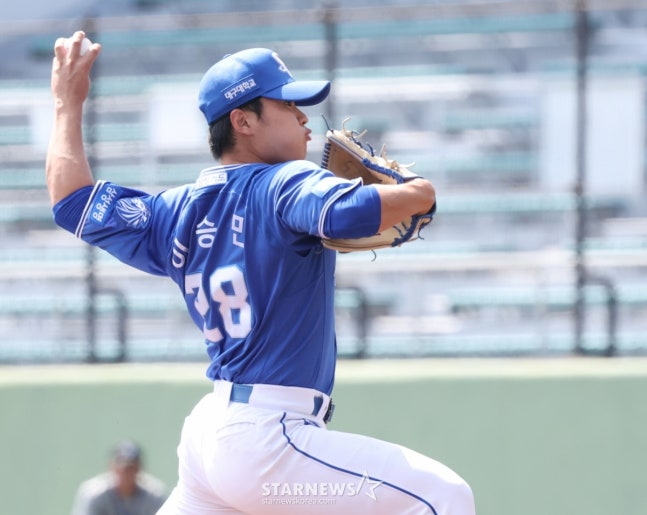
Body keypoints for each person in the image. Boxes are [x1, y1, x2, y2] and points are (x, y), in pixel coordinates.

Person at [48, 31, 475, 514]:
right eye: (288, 105)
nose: (303, 118)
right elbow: (347, 213)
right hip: (269, 439)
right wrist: (420, 191)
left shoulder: (175, 211)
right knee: (444, 495)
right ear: (243, 120)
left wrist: (66, 103)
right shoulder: (285, 180)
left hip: (211, 438)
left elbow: (72, 202)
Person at [70, 440, 167, 515]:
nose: (126, 473)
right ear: (111, 467)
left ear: (139, 469)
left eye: (131, 468)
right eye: (122, 467)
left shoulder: (154, 494)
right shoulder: (94, 494)